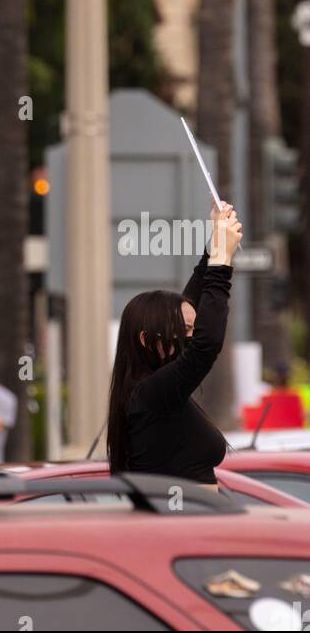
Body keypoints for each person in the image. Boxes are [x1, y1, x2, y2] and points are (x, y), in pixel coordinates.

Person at [107, 201, 243, 488]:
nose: (191, 336)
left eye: (193, 328)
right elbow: (205, 346)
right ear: (147, 340)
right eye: (184, 331)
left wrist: (216, 241)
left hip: (194, 524)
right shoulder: (151, 393)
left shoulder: (151, 389)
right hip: (181, 526)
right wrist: (221, 262)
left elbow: (189, 306)